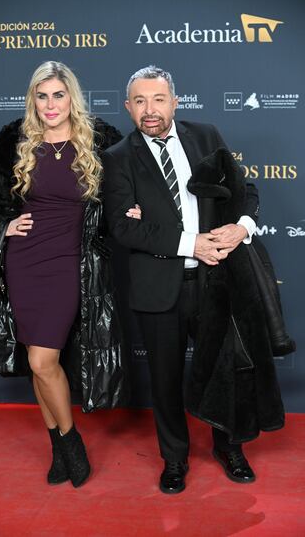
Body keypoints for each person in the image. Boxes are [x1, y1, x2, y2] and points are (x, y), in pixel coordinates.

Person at [103, 65, 285, 494]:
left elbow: (245, 190)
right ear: (128, 107)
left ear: (175, 101)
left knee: (226, 370)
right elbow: (123, 228)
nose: (151, 110)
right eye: (141, 101)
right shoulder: (117, 159)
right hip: (158, 287)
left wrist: (242, 224)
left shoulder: (205, 135)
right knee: (164, 382)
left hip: (216, 282)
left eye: (159, 99)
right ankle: (174, 460)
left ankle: (230, 447)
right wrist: (190, 243)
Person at [0, 61, 131, 488]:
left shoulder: (100, 142)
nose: (50, 104)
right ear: (32, 98)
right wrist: (2, 223)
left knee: (42, 358)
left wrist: (131, 207)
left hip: (71, 263)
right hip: (23, 261)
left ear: (72, 97)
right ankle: (60, 447)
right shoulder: (14, 143)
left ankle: (70, 444)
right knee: (39, 365)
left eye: (58, 95)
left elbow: (128, 191)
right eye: (41, 95)